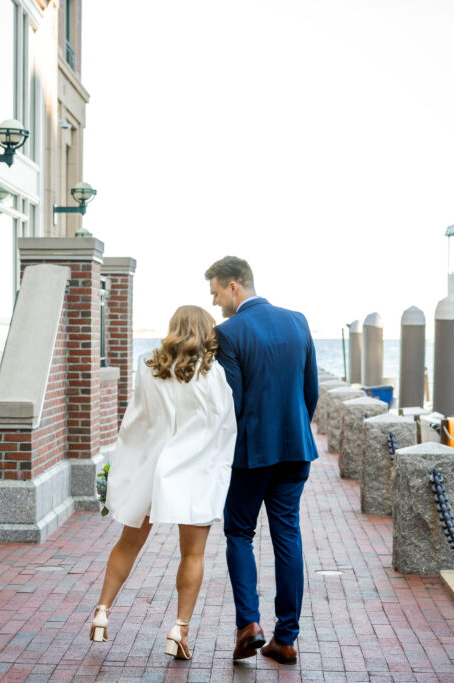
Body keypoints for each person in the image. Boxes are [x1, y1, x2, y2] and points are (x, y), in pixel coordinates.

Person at [90, 305, 237, 661]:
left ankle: (102, 612)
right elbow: (224, 427)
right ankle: (179, 628)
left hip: (151, 469)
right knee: (192, 553)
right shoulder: (213, 374)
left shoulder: (147, 367)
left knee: (128, 544)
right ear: (207, 332)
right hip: (192, 472)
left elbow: (136, 419)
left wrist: (124, 466)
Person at [205, 256, 318, 665]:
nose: (216, 303)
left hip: (251, 454)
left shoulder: (228, 332)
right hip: (294, 449)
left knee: (239, 533)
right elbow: (311, 392)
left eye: (217, 293)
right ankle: (286, 638)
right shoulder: (298, 321)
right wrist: (294, 430)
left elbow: (229, 405)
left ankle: (249, 625)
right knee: (288, 534)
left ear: (235, 286)